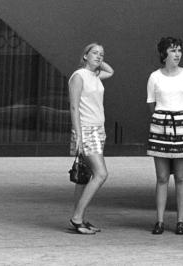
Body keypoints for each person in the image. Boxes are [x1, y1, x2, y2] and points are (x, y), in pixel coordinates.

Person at [146, 37, 183, 235]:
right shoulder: (154, 77)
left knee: (181, 178)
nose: (177, 54)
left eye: (179, 50)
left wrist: (180, 118)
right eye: (173, 50)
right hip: (160, 128)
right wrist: (163, 118)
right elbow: (151, 105)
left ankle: (180, 221)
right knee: (161, 177)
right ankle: (159, 220)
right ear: (163, 54)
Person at [68, 42, 114, 235]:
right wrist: (78, 134)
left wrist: (99, 60)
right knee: (101, 174)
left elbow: (110, 71)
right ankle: (77, 217)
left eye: (102, 54)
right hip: (86, 130)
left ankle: (80, 217)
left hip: (98, 129)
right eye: (94, 53)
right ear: (85, 55)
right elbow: (74, 107)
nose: (99, 56)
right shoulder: (78, 76)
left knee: (84, 178)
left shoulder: (95, 76)